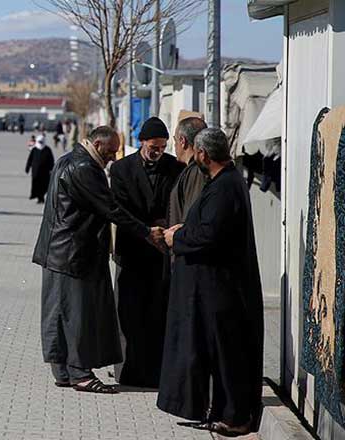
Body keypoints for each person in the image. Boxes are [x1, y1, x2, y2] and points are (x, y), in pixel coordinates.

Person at [32, 126, 164, 394]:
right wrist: (147, 232)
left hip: (58, 252)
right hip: (73, 253)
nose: (114, 157)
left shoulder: (67, 160)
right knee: (78, 315)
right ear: (98, 144)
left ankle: (64, 371)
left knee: (60, 313)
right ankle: (80, 373)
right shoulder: (84, 168)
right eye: (111, 151)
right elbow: (111, 208)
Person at [158, 128, 264, 436]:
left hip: (222, 289)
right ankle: (222, 412)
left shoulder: (225, 186)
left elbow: (211, 234)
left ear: (203, 154)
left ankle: (235, 417)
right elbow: (207, 224)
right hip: (214, 287)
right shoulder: (224, 182)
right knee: (219, 354)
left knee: (229, 354)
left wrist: (177, 236)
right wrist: (186, 226)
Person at [109, 117, 185, 388]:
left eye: (163, 146)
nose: (158, 151)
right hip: (132, 250)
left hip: (161, 252)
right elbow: (119, 209)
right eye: (154, 146)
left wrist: (163, 231)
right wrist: (145, 230)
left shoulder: (175, 168)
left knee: (157, 312)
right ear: (142, 142)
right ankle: (128, 371)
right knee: (129, 313)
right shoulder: (121, 169)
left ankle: (156, 372)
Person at [168, 117, 209, 226]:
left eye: (175, 140)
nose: (175, 145)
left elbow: (191, 216)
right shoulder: (194, 169)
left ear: (182, 141)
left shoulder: (196, 171)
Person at [25, 134, 55, 204]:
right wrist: (27, 168)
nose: (40, 143)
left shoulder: (47, 149)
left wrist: (52, 169)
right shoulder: (34, 149)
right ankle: (39, 198)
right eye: (39, 142)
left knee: (44, 185)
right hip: (35, 171)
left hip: (45, 172)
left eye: (41, 142)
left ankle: (41, 197)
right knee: (36, 185)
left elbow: (51, 160)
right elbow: (30, 159)